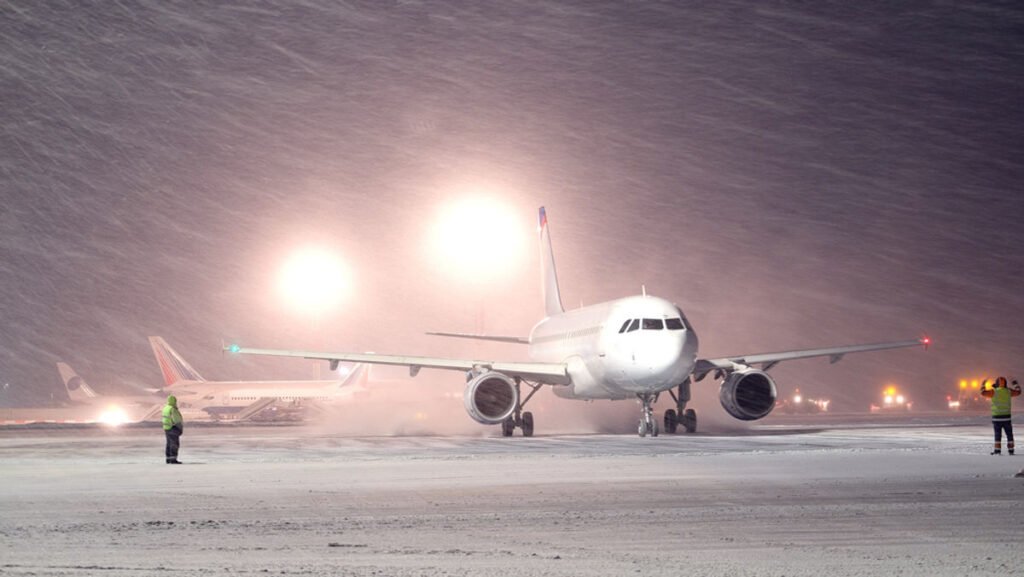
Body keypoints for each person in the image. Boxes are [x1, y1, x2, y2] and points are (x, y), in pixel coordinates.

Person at [981, 377, 1020, 455]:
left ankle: (997, 450)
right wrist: (1015, 384)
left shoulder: (993, 392)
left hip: (997, 418)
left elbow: (983, 393)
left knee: (998, 435)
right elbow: (1018, 392)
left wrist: (983, 384)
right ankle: (1011, 450)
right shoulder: (1008, 391)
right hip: (1007, 417)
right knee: (1009, 434)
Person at [162, 394, 184, 464]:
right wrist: (180, 429)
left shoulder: (165, 408)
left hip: (167, 428)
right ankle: (173, 460)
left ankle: (168, 459)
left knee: (169, 444)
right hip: (173, 428)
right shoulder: (172, 409)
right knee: (174, 444)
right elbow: (177, 420)